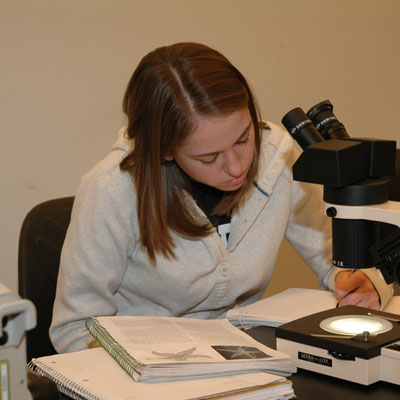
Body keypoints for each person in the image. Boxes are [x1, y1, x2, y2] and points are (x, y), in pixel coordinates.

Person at [50, 42, 393, 353]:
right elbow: (74, 329)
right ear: (166, 151)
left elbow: (336, 255)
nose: (236, 166)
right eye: (209, 157)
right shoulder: (112, 190)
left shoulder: (277, 155)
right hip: (148, 372)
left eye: (243, 138)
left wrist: (368, 283)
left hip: (244, 358)